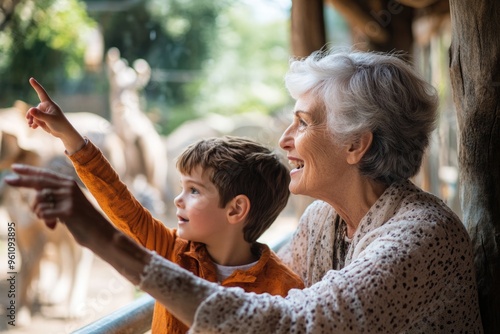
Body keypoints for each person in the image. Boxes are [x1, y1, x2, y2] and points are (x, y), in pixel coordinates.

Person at [5, 48, 483, 333]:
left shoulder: (420, 237)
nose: (283, 139)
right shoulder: (324, 221)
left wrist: (100, 235)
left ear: (356, 144)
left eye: (302, 121)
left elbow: (288, 324)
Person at [12, 79, 304, 333]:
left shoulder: (285, 290)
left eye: (193, 190)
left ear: (235, 210)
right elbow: (123, 205)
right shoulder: (173, 251)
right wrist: (69, 136)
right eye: (181, 188)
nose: (178, 199)